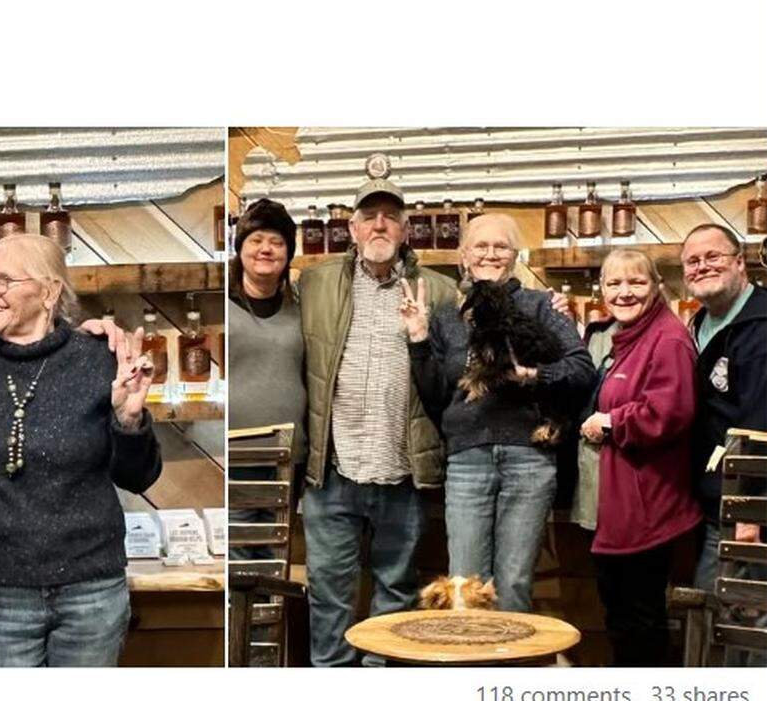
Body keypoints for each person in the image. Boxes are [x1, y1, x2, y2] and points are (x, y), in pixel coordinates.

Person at [0, 233, 162, 667]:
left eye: (3, 281)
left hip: (91, 590)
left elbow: (138, 478)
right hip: (3, 595)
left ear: (50, 290)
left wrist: (129, 421)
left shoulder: (100, 358)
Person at [297, 173, 458, 667]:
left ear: (407, 229)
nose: (380, 225)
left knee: (397, 594)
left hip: (402, 470)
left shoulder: (442, 291)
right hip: (333, 469)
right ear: (352, 227)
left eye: (391, 217)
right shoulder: (315, 282)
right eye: (370, 217)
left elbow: (452, 379)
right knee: (329, 597)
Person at [404, 213, 595, 612]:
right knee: (464, 587)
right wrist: (420, 339)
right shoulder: (445, 317)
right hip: (467, 460)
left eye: (501, 246)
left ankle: (508, 674)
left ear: (515, 255)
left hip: (529, 457)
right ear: (463, 255)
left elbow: (581, 370)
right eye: (480, 246)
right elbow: (438, 395)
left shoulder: (542, 306)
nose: (490, 254)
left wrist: (532, 375)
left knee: (513, 584)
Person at [578, 249, 701, 666]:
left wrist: (610, 422)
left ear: (657, 287)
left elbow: (670, 412)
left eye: (636, 283)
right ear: (602, 289)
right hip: (624, 505)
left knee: (640, 621)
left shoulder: (667, 338)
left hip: (649, 506)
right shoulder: (627, 337)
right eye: (614, 283)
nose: (624, 292)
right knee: (623, 617)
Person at [682, 224, 767, 593]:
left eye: (713, 256)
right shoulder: (700, 322)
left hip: (749, 504)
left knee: (736, 621)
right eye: (692, 261)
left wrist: (751, 509)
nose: (702, 266)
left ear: (739, 263)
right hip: (714, 497)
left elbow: (764, 425)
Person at [227, 199, 306, 561]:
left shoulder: (302, 307)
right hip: (236, 454)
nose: (265, 249)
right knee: (239, 555)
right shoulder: (222, 304)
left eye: (276, 241)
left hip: (286, 456)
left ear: (288, 252)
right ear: (240, 247)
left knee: (275, 558)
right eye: (256, 239)